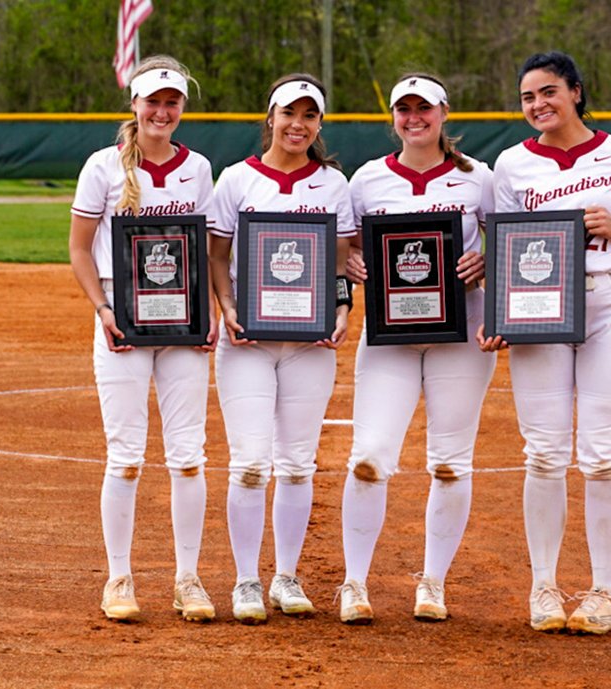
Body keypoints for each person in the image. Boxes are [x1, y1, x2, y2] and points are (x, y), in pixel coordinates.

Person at [480, 51, 611, 634]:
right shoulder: (511, 165)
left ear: (576, 93)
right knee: (542, 452)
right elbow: (504, 252)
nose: (538, 105)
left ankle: (603, 592)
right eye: (527, 97)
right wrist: (500, 314)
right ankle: (544, 586)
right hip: (540, 318)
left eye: (548, 93)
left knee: (602, 455)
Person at [337, 74, 495, 624]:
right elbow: (345, 247)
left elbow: (514, 246)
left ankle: (433, 582)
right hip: (390, 340)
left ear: (444, 112)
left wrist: (490, 263)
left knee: (451, 464)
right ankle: (354, 583)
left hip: (462, 336)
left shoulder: (479, 179)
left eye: (423, 108)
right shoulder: (368, 179)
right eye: (403, 109)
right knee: (368, 458)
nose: (413, 118)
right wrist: (349, 265)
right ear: (394, 117)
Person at [68, 56, 219, 623]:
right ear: (134, 104)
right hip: (122, 322)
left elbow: (203, 250)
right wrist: (103, 309)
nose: (162, 111)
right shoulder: (102, 167)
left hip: (182, 327)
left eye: (172, 101)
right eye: (153, 100)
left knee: (187, 457)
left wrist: (206, 311)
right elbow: (80, 249)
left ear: (183, 106)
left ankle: (188, 579)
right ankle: (119, 577)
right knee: (126, 456)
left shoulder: (198, 168)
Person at [208, 74, 353, 625]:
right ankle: (246, 579)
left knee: (296, 465)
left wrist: (341, 310)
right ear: (270, 117)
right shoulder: (238, 179)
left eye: (309, 115)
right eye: (288, 113)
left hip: (309, 344)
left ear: (319, 124)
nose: (298, 124)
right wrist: (227, 307)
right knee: (249, 463)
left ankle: (285, 575)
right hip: (248, 341)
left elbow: (340, 265)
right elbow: (218, 257)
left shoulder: (332, 185)